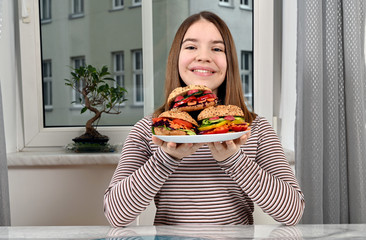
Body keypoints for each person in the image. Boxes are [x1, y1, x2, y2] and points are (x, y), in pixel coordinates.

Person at [104, 11, 305, 227]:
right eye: (191, 47)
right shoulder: (151, 130)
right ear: (176, 57)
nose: (203, 56)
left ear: (229, 62)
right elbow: (116, 215)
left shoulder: (254, 129)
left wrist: (234, 160)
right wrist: (166, 158)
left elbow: (292, 213)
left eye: (217, 49)